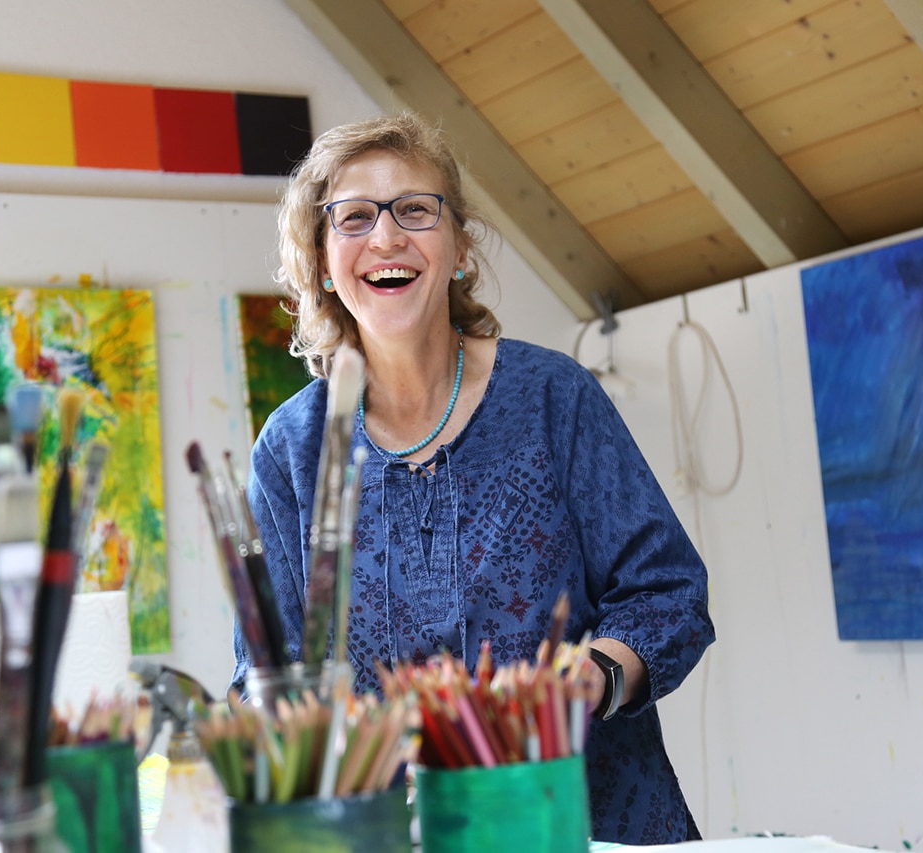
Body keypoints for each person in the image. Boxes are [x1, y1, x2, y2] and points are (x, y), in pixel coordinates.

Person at [232, 111, 714, 844]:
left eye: (415, 211)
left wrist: (595, 678)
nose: (387, 237)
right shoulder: (292, 451)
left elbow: (668, 594)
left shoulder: (555, 397)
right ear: (322, 259)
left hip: (591, 825)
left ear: (458, 246)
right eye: (354, 217)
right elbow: (265, 677)